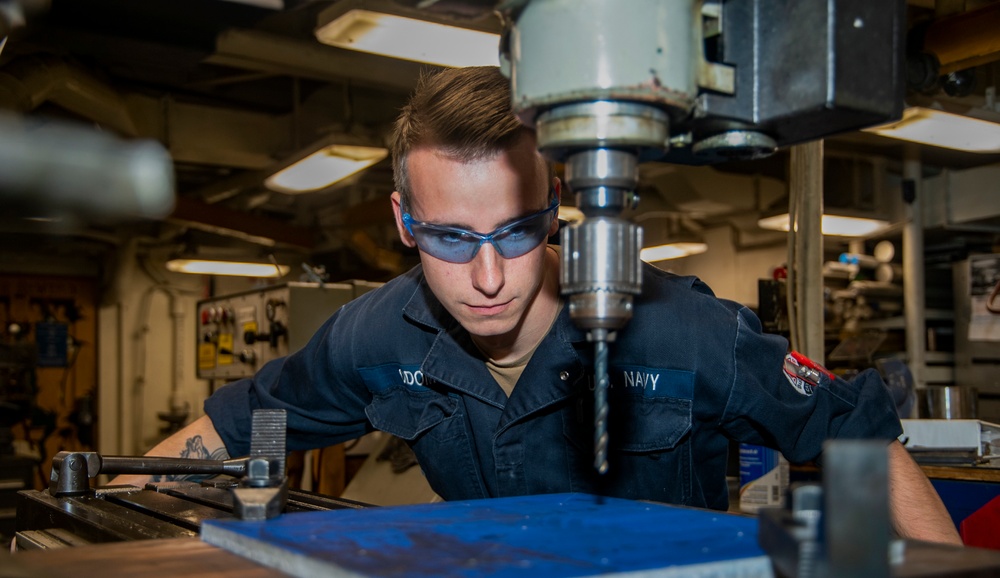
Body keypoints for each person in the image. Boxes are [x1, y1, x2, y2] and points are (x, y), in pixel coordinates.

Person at [115, 66, 961, 545]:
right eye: (449, 239)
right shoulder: (373, 337)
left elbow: (856, 439)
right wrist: (106, 504)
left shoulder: (679, 330)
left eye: (517, 232)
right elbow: (237, 426)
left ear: (557, 203)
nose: (489, 277)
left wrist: (926, 571)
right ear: (402, 221)